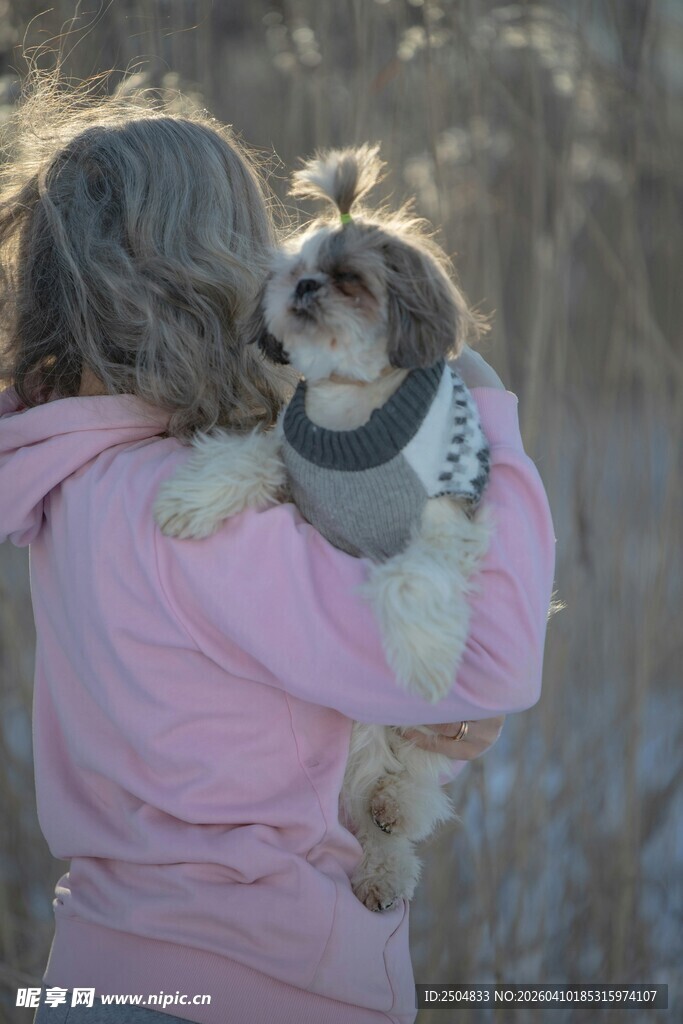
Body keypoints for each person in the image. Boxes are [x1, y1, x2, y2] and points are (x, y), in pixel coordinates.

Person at [0, 73, 555, 1024]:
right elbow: (487, 660)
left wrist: (422, 725)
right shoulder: (185, 512)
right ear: (204, 270)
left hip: (116, 965)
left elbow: (274, 714)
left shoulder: (80, 475)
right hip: (248, 980)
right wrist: (473, 413)